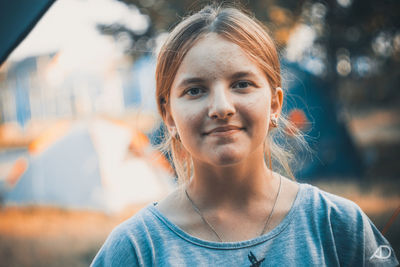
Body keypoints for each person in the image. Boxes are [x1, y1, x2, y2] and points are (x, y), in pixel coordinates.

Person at [91, 5, 399, 266]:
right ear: (169, 116)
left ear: (275, 104)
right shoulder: (136, 248)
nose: (221, 107)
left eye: (241, 84)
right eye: (195, 90)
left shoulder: (337, 225)